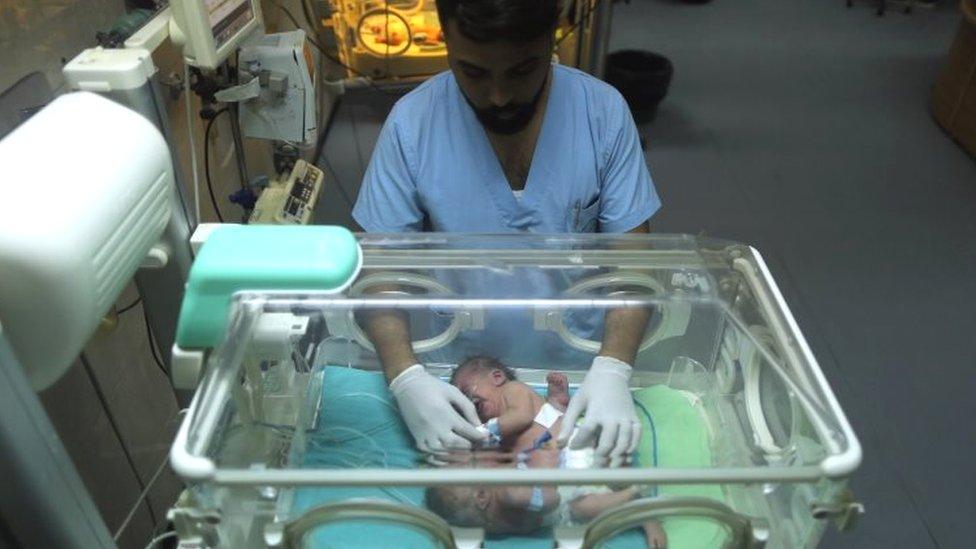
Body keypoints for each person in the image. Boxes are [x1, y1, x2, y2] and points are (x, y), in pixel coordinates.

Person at [353, 0, 662, 466]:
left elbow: (635, 264)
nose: (498, 96)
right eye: (472, 72)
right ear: (445, 39)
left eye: (521, 71)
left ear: (552, 38)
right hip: (463, 374)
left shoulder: (601, 114)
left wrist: (614, 368)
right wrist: (406, 377)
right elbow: (379, 272)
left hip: (579, 365)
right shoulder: (413, 124)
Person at [426, 357, 667, 547]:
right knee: (585, 509)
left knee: (603, 452)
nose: (470, 406)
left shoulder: (512, 391)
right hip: (560, 470)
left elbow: (522, 418)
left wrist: (485, 431)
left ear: (497, 377)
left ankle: (628, 489)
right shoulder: (501, 492)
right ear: (480, 496)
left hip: (568, 446)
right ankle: (636, 503)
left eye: (469, 395)